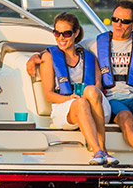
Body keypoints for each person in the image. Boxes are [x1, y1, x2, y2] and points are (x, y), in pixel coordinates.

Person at [27, 1, 133, 165]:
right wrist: (36, 56)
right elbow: (63, 47)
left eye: (124, 21)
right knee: (125, 117)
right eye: (115, 19)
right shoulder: (94, 45)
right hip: (113, 100)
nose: (118, 24)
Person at [38, 12, 117, 165]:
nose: (61, 38)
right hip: (65, 107)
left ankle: (103, 148)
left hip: (97, 106)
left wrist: (85, 96)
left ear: (76, 33)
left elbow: (98, 86)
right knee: (81, 104)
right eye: (57, 33)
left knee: (91, 91)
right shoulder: (48, 57)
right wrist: (70, 98)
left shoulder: (89, 57)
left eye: (66, 33)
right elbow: (48, 94)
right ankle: (98, 151)